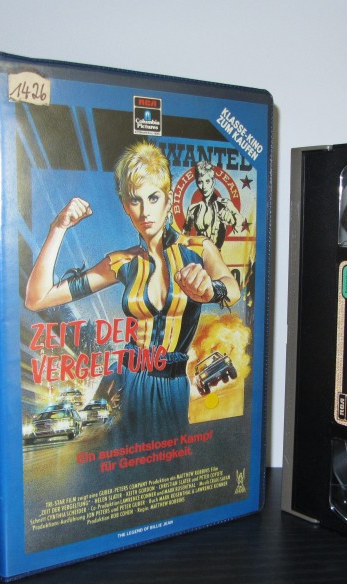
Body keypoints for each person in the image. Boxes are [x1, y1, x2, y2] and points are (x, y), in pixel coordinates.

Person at [25, 142, 240, 441]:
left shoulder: (198, 248)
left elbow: (232, 288)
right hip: (130, 383)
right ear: (125, 206)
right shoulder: (121, 262)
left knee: (171, 459)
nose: (145, 211)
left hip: (174, 386)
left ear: (168, 200)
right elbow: (37, 298)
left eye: (153, 198)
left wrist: (211, 288)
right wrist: (58, 228)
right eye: (135, 200)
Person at [183, 161, 244, 248]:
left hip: (217, 253)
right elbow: (184, 237)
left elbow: (241, 222)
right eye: (200, 182)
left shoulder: (225, 204)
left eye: (207, 181)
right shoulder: (193, 209)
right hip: (198, 253)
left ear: (213, 182)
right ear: (196, 183)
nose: (204, 186)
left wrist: (232, 219)